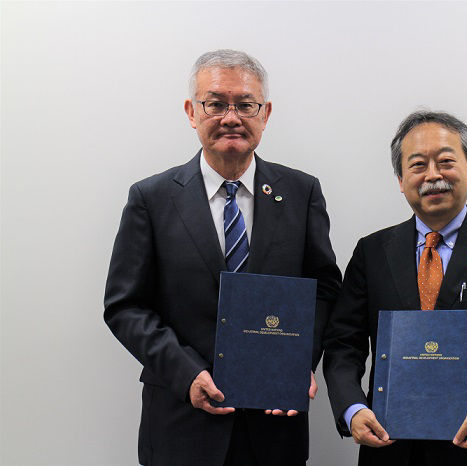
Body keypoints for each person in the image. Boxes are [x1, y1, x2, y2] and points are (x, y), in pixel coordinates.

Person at [104, 49, 341, 466]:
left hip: (274, 426)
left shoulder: (302, 193)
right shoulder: (152, 199)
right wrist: (187, 373)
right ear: (191, 112)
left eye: (245, 105)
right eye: (215, 104)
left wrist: (297, 361)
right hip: (182, 423)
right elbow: (125, 306)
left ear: (265, 113)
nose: (231, 117)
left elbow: (323, 288)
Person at [323, 111, 467, 466]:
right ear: (401, 180)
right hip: (389, 447)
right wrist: (353, 408)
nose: (433, 175)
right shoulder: (372, 252)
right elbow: (343, 343)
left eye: (446, 161)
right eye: (418, 164)